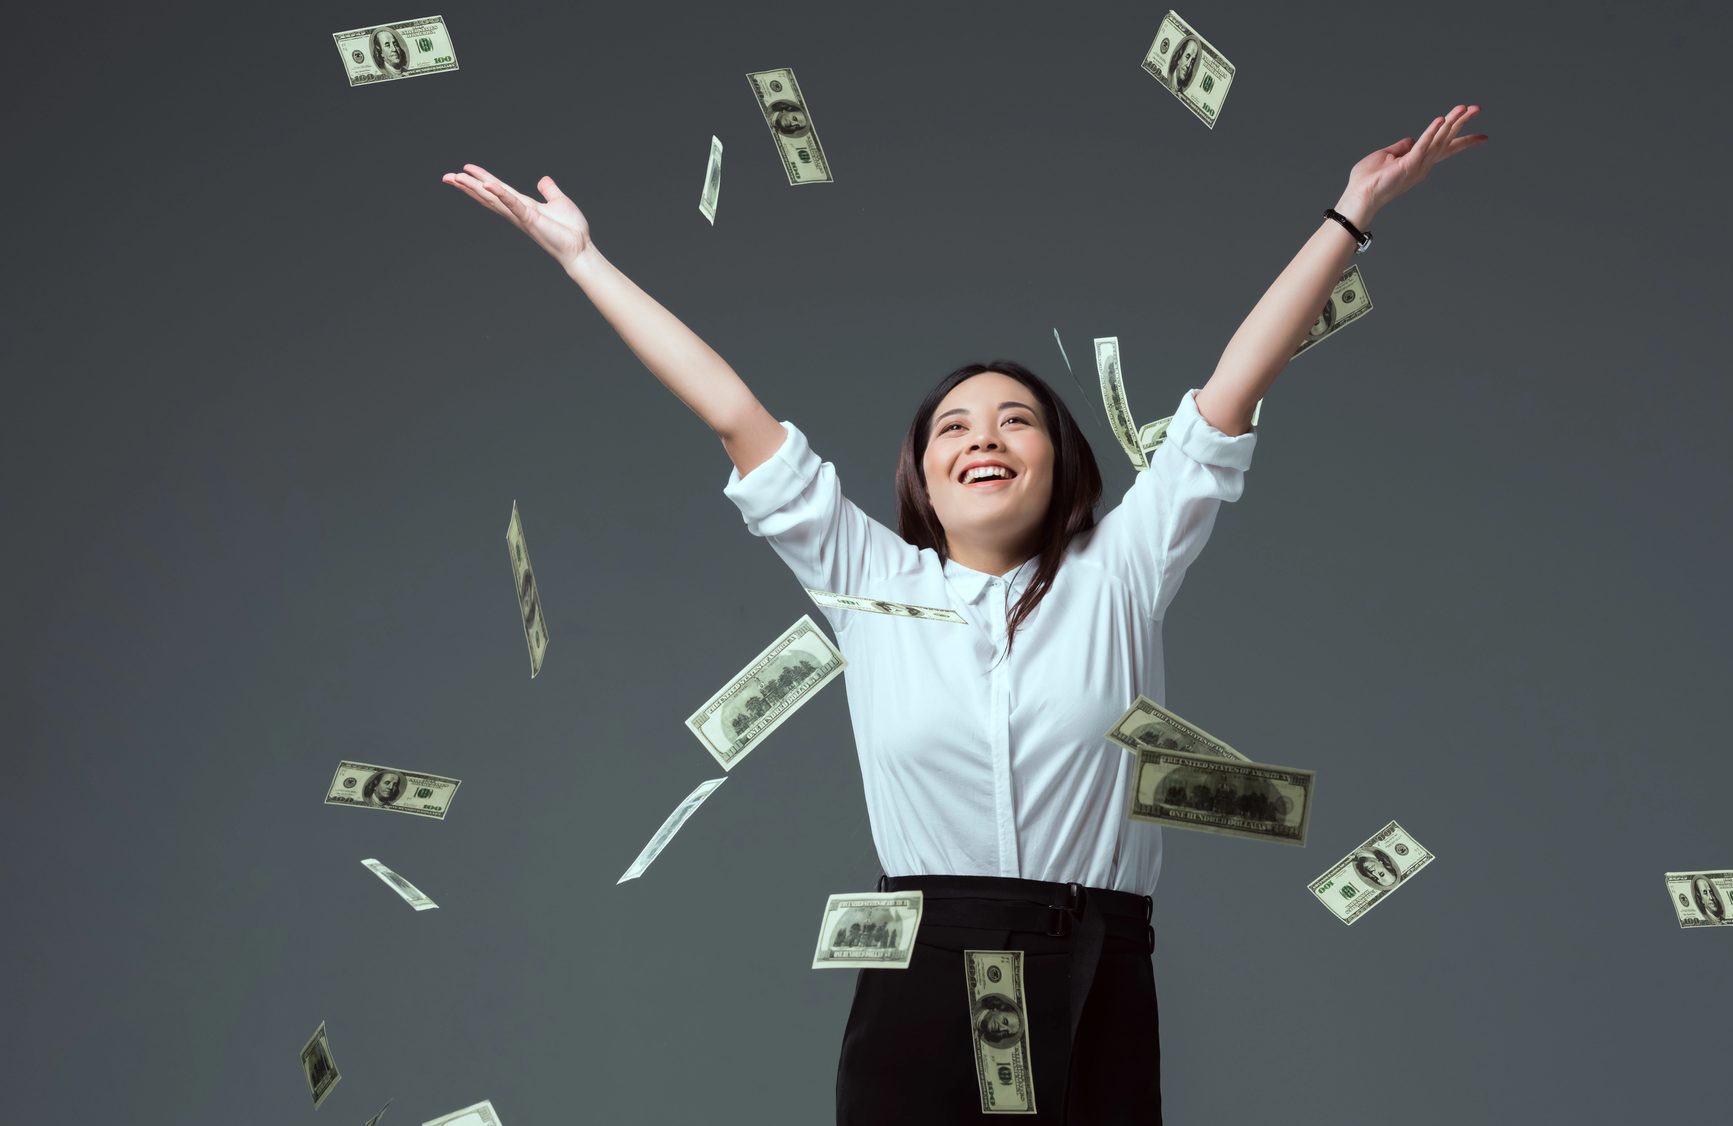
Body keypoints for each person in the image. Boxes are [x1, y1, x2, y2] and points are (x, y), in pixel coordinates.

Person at [443, 101, 1486, 1125]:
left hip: (1100, 966)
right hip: (922, 983)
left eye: (1014, 420)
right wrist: (581, 258)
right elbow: (728, 410)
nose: (981, 438)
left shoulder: (1121, 565)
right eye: (952, 427)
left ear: (1059, 460)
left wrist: (1350, 212)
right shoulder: (864, 576)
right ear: (923, 478)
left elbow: (1229, 389)